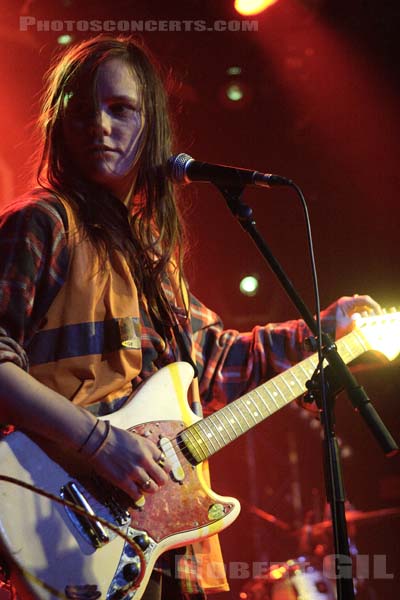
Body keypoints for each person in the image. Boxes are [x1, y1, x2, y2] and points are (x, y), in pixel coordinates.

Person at [0, 35, 381, 600]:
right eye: (81, 110)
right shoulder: (43, 225)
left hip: (167, 544)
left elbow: (218, 362)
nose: (99, 125)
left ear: (151, 125)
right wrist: (99, 442)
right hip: (66, 525)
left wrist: (321, 331)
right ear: (58, 124)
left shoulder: (154, 255)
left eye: (120, 109)